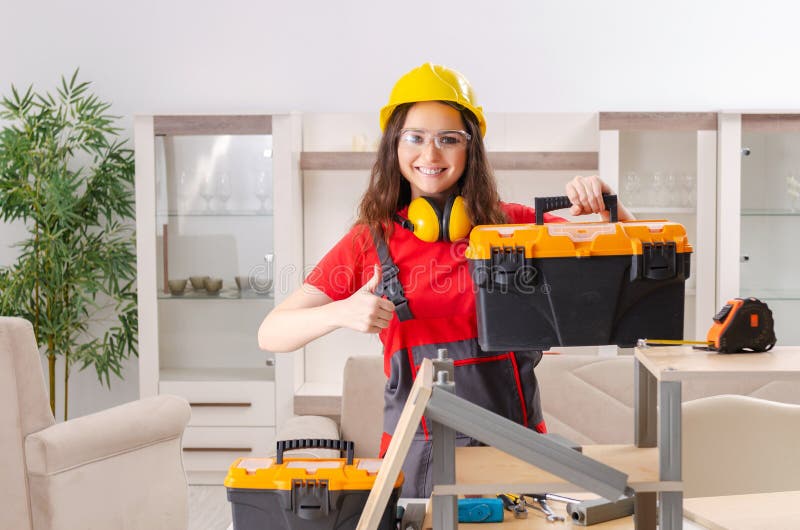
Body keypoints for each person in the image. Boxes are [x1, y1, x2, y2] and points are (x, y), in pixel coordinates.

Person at [258, 63, 634, 497]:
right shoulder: (371, 240)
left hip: (517, 450)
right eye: (415, 137)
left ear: (470, 149)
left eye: (448, 140)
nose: (430, 155)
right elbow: (272, 334)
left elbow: (628, 263)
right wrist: (340, 311)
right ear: (394, 146)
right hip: (416, 460)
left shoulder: (513, 227)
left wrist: (610, 207)